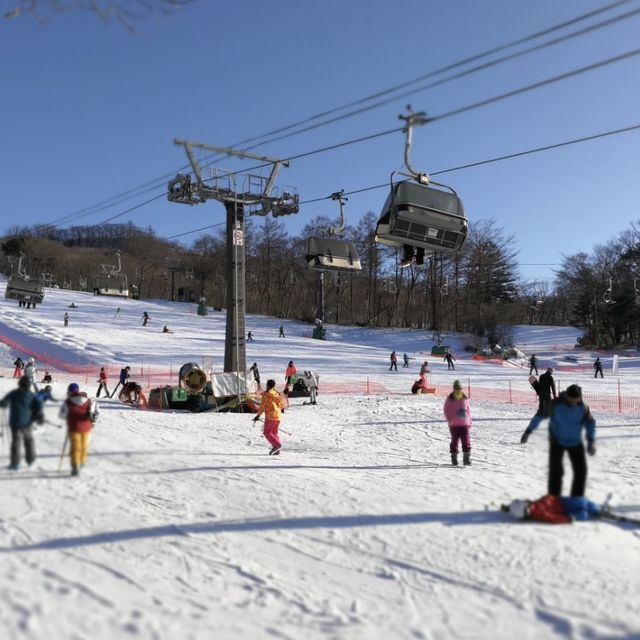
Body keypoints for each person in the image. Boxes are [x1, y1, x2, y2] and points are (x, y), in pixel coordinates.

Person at [520, 383, 596, 497]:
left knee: (581, 471)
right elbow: (540, 415)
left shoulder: (583, 406)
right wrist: (528, 431)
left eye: (576, 400)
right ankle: (554, 499)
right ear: (567, 396)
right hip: (557, 441)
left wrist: (590, 441)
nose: (574, 402)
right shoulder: (555, 404)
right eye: (572, 400)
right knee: (556, 472)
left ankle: (576, 500)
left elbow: (590, 422)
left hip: (575, 441)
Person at [0, 375, 43, 470]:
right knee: (29, 441)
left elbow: (3, 403)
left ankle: (15, 464)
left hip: (15, 422)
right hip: (27, 422)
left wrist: (3, 404)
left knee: (16, 442)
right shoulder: (32, 395)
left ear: (20, 383)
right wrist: (38, 415)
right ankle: (31, 461)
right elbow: (39, 406)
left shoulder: (14, 393)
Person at [60, 382, 98, 477]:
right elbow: (93, 413)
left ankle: (75, 466)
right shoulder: (88, 400)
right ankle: (82, 462)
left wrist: (69, 415)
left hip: (74, 428)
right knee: (84, 446)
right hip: (86, 427)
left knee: (75, 447)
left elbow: (62, 415)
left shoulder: (68, 402)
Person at [253, 379, 286, 455]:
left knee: (267, 432)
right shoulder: (276, 393)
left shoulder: (266, 395)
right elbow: (281, 404)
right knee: (274, 433)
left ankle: (277, 445)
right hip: (278, 415)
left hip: (271, 415)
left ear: (268, 385)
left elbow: (262, 407)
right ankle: (277, 450)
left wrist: (258, 416)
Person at [443, 379, 473, 466]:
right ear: (453, 388)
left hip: (465, 424)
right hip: (454, 424)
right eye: (456, 388)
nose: (458, 390)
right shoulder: (450, 399)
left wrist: (470, 421)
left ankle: (466, 459)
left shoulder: (464, 398)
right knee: (455, 441)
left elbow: (468, 411)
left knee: (466, 441)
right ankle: (454, 458)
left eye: (459, 388)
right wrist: (449, 419)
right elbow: (446, 410)